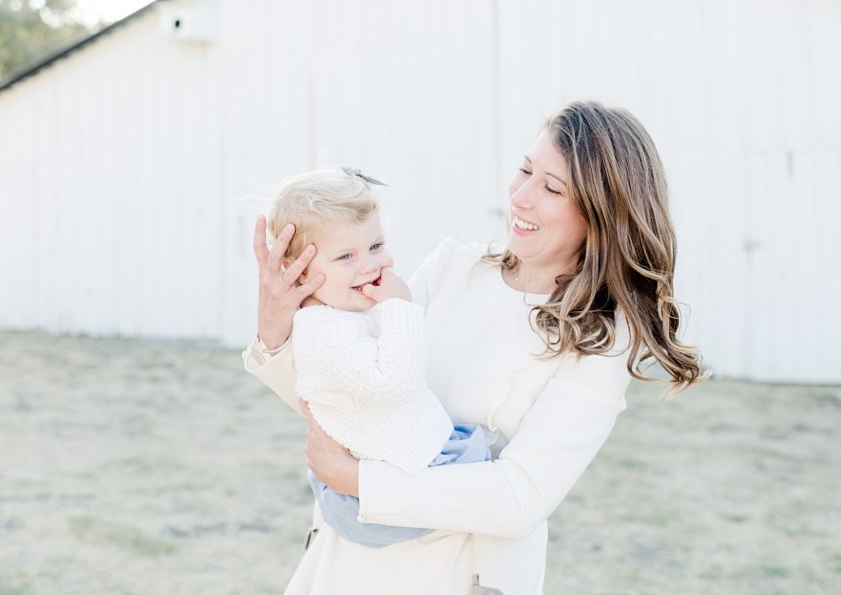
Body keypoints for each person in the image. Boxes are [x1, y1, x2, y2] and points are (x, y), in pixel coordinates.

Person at [243, 101, 707, 594]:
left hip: (459, 576)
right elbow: (345, 397)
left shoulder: (599, 341)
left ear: (601, 213)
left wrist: (359, 481)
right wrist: (275, 327)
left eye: (551, 188)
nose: (521, 197)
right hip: (348, 564)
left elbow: (518, 498)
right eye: (525, 170)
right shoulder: (453, 268)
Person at [257, 167, 492, 549]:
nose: (369, 265)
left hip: (393, 467)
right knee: (479, 474)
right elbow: (393, 385)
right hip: (377, 490)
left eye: (376, 246)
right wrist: (400, 306)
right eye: (346, 256)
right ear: (299, 273)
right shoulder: (322, 330)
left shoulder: (347, 310)